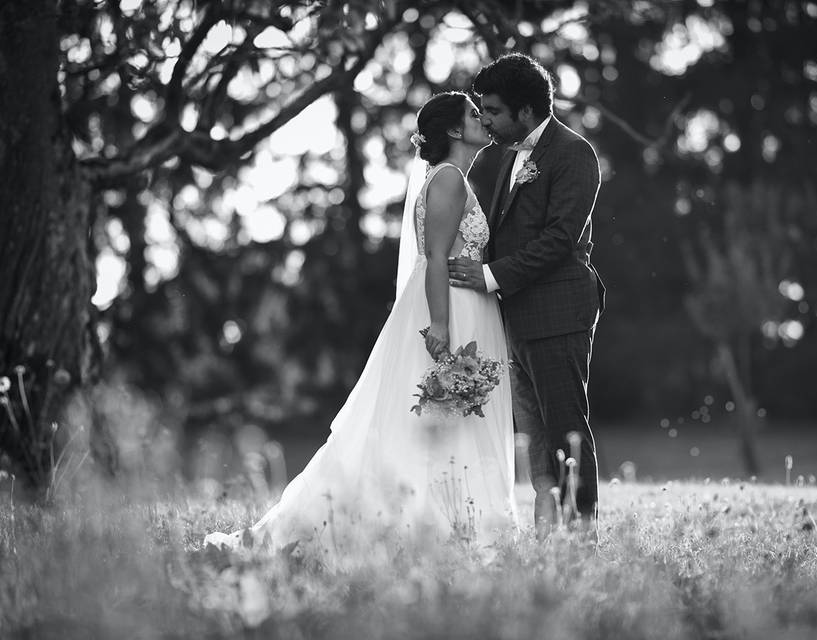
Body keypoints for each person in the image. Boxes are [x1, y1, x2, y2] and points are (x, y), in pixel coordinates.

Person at [205, 92, 518, 557]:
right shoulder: (450, 178)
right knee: (437, 418)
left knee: (445, 420)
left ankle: (458, 528)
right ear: (454, 131)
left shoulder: (450, 177)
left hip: (462, 302)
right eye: (475, 115)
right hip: (449, 306)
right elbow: (435, 258)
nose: (485, 120)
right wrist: (440, 326)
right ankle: (435, 531)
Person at [448, 54, 604, 542]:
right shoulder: (510, 156)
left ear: (526, 110)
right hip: (515, 317)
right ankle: (547, 536)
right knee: (536, 440)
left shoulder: (573, 154)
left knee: (565, 431)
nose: (486, 120)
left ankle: (581, 539)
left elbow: (560, 239)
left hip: (558, 313)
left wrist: (490, 275)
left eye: (493, 111)